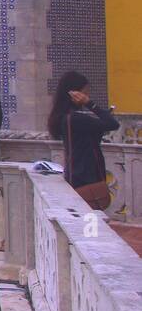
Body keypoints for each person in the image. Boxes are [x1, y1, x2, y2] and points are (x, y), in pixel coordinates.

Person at [48, 70, 120, 209]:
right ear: (75, 94)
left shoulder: (64, 117)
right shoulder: (77, 119)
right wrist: (90, 104)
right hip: (88, 176)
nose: (87, 95)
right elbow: (113, 124)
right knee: (90, 220)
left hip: (75, 174)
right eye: (85, 93)